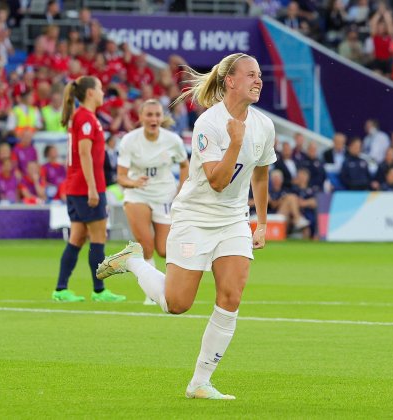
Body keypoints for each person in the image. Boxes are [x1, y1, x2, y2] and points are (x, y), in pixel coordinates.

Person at [96, 53, 276, 400]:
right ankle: (134, 260)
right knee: (177, 304)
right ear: (230, 81)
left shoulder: (264, 125)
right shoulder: (209, 124)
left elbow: (261, 174)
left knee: (231, 296)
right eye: (251, 75)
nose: (258, 81)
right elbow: (218, 181)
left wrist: (262, 223)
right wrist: (235, 142)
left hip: (233, 220)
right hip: (195, 218)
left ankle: (200, 382)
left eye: (260, 75)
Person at [51, 76, 125, 303]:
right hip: (86, 187)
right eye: (101, 89)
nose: (103, 93)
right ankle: (99, 290)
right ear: (91, 93)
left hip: (77, 186)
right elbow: (84, 153)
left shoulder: (83, 117)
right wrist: (93, 189)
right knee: (98, 236)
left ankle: (61, 289)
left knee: (78, 237)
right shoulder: (86, 118)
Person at [116, 99, 189, 305]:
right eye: (149, 115)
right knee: (146, 245)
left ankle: (151, 276)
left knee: (164, 249)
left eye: (157, 115)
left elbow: (185, 165)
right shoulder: (129, 141)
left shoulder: (172, 140)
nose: (153, 119)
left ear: (162, 118)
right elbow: (121, 176)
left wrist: (181, 191)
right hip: (137, 194)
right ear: (140, 117)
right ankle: (152, 293)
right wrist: (132, 182)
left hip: (164, 195)